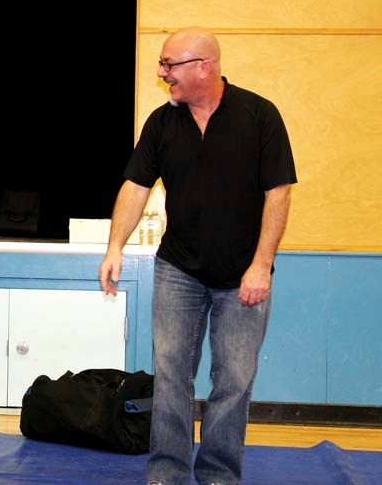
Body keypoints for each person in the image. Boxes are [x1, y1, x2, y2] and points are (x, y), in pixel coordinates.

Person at [99, 27, 297, 485]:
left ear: (204, 66)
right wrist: (115, 246)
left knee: (233, 383)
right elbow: (135, 187)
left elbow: (278, 193)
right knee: (171, 377)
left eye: (170, 65)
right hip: (178, 271)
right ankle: (166, 475)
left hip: (243, 276)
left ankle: (218, 477)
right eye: (162, 64)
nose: (162, 73)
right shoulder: (162, 123)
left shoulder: (259, 115)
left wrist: (261, 265)